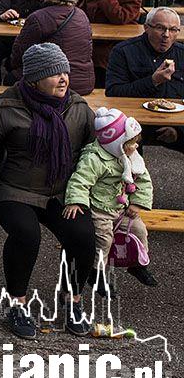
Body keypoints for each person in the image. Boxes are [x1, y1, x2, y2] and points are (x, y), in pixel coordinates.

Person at [0, 43, 96, 340]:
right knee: (26, 233)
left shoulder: (78, 108)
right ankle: (17, 303)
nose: (63, 79)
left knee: (83, 235)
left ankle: (72, 300)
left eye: (64, 72)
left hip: (60, 193)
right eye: (53, 73)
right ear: (34, 79)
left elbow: (97, 151)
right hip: (12, 189)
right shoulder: (3, 107)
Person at [65, 108, 157, 287]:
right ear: (116, 144)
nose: (135, 146)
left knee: (140, 231)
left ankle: (137, 264)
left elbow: (144, 180)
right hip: (100, 209)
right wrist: (76, 201)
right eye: (130, 143)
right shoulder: (94, 159)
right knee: (104, 240)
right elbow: (80, 181)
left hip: (122, 209)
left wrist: (137, 203)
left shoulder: (131, 156)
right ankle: (97, 272)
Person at [105, 7, 184, 152]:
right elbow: (113, 92)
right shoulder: (123, 51)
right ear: (146, 27)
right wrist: (153, 80)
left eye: (173, 30)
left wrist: (178, 129)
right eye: (160, 28)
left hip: (176, 124)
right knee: (124, 145)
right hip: (133, 123)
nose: (166, 35)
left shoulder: (181, 53)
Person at [11, 0, 94, 95]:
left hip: (55, 84)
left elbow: (20, 52)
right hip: (84, 82)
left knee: (11, 78)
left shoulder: (39, 18)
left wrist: (14, 68)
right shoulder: (82, 15)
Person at [80, 0, 141, 86]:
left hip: (114, 43)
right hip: (91, 37)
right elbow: (83, 9)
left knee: (101, 58)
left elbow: (120, 18)